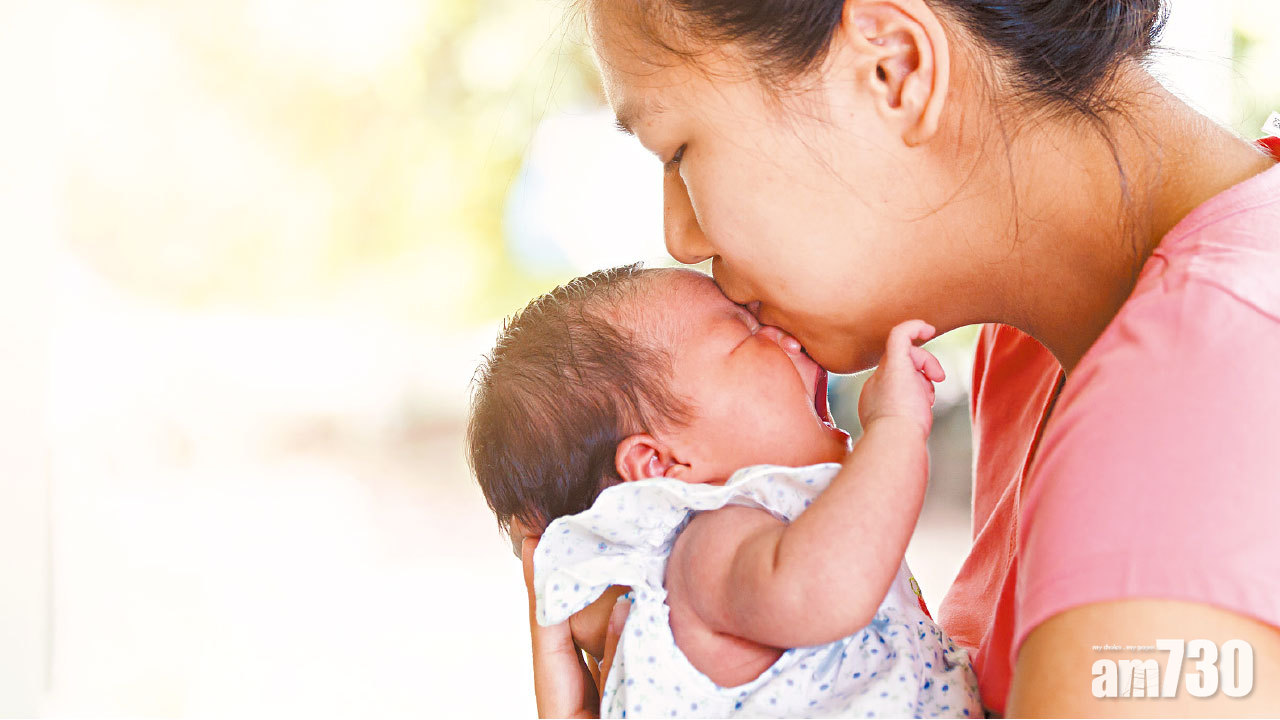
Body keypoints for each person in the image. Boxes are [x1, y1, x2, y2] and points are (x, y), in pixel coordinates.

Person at [516, 0, 1280, 715]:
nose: (680, 238)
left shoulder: (1186, 391)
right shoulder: (1038, 347)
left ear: (893, 68)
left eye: (679, 150)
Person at [469, 264, 980, 716]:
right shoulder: (705, 550)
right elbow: (828, 587)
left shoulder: (757, 535)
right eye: (747, 335)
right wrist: (894, 427)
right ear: (661, 464)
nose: (789, 339)